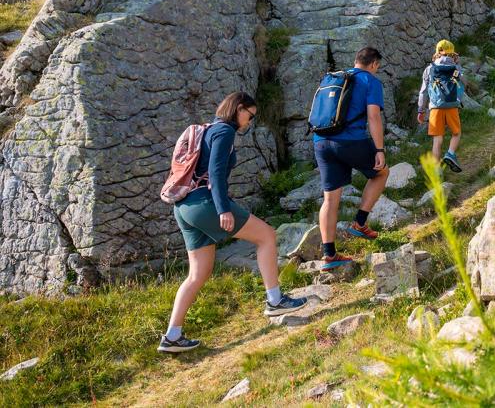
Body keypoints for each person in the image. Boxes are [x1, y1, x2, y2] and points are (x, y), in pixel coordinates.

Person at [159, 92, 307, 354]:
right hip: (205, 203)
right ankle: (275, 300)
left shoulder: (207, 130)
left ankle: (172, 335)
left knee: (197, 274)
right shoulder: (225, 131)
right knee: (267, 236)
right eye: (249, 116)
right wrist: (223, 209)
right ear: (238, 109)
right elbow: (216, 172)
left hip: (183, 207)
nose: (249, 122)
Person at [313, 46, 391, 271]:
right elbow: (373, 116)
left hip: (321, 140)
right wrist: (379, 150)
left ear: (356, 60)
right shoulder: (370, 81)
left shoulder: (334, 78)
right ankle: (359, 222)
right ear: (374, 64)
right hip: (349, 140)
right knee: (381, 172)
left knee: (330, 199)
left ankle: (329, 255)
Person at [417, 39, 464, 174]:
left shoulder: (429, 69)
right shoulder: (456, 68)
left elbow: (423, 91)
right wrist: (457, 64)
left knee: (437, 139)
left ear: (437, 52)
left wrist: (421, 110)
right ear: (452, 52)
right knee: (456, 133)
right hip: (452, 105)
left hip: (435, 107)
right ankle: (450, 153)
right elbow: (461, 82)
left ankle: (437, 172)